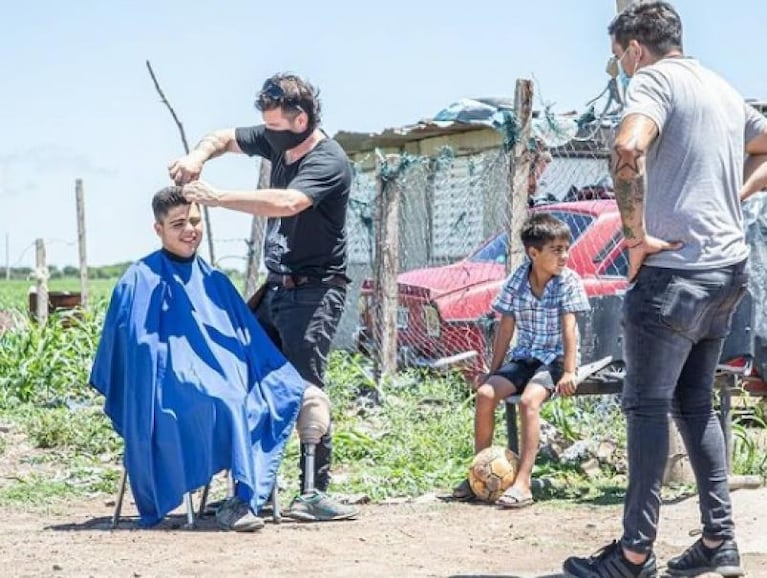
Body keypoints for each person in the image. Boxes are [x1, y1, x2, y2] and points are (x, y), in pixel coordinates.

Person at [563, 3, 767, 577]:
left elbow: (627, 148)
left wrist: (634, 238)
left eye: (618, 61)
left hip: (673, 276)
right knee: (695, 405)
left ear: (635, 48)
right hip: (727, 274)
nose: (622, 72)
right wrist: (737, 196)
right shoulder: (721, 87)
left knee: (647, 407)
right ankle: (718, 542)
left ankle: (632, 554)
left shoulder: (654, 80)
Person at [167, 72, 359, 522]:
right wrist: (197, 157)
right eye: (266, 125)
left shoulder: (329, 161)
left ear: (302, 118)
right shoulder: (278, 137)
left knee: (306, 386)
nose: (267, 133)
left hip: (315, 291)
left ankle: (314, 491)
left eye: (275, 125)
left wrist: (217, 197)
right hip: (277, 286)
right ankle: (255, 487)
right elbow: (221, 137)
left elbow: (288, 203)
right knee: (252, 378)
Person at [90, 186, 305, 532]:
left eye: (194, 221)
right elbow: (136, 352)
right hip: (165, 390)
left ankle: (242, 499)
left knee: (272, 391)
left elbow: (244, 339)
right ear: (158, 229)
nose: (190, 230)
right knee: (230, 401)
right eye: (178, 224)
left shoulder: (215, 281)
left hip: (219, 380)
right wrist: (187, 371)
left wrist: (227, 370)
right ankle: (240, 502)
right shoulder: (138, 280)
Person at [452, 213, 590, 507]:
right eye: (556, 250)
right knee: (486, 393)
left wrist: (568, 371)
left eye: (567, 248)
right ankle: (479, 473)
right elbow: (505, 326)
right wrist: (493, 371)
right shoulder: (518, 279)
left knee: (529, 402)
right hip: (526, 356)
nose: (564, 256)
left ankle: (523, 482)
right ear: (533, 253)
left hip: (555, 359)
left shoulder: (568, 281)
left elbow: (569, 329)